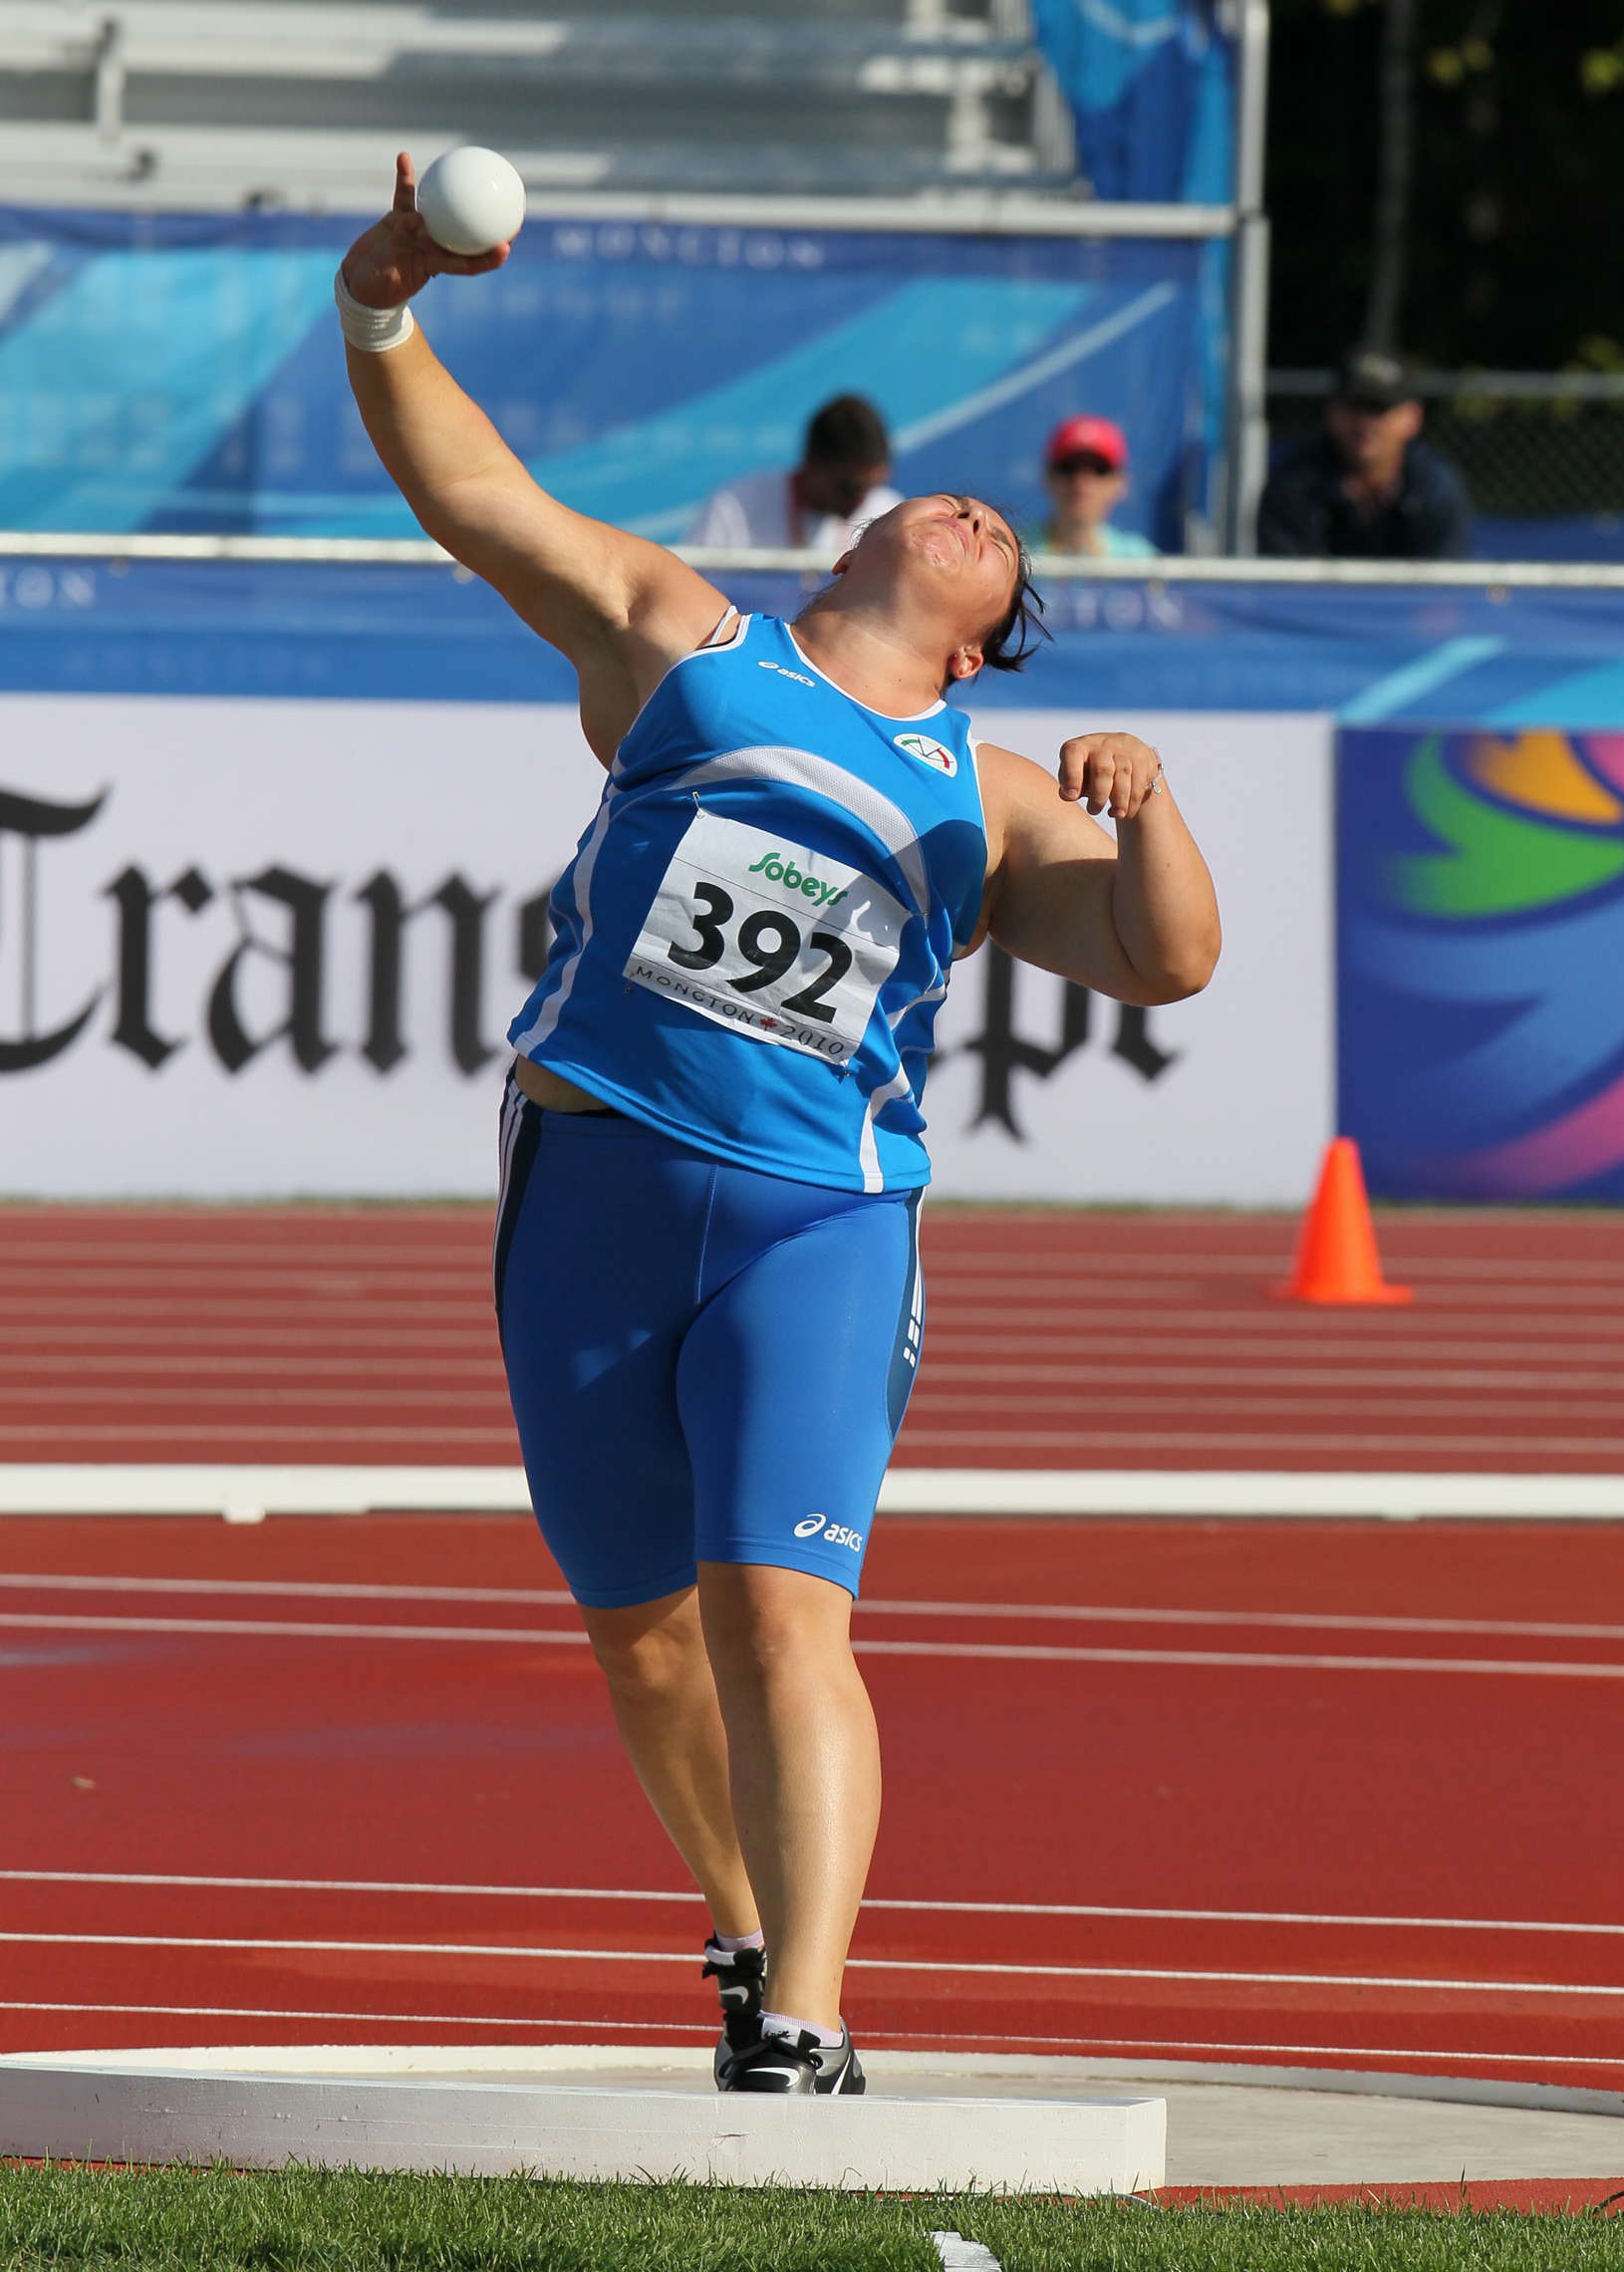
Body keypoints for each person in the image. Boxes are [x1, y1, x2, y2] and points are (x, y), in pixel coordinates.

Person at [337, 155, 1220, 2099]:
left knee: (777, 1611)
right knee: (639, 1637)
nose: (977, 513)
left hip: (817, 1221)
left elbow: (1164, 963)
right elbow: (477, 496)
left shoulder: (990, 790)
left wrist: (1151, 805)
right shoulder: (687, 639)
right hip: (590, 1188)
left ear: (980, 645)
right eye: (951, 499)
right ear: (859, 540)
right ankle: (744, 1928)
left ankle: (806, 2022)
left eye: (1005, 545)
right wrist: (380, 306)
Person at [1256, 347, 1471, 560]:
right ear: (1331, 411)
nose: (1365, 424)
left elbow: (1445, 574)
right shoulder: (1293, 484)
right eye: (1354, 407)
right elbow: (1285, 573)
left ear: (1412, 417)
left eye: (1379, 409)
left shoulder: (1434, 488)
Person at [689, 394, 902, 553]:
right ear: (812, 462)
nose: (863, 500)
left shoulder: (887, 515)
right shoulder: (734, 509)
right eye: (852, 487)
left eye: (873, 486)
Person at [1032, 415, 1159, 559]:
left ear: (1120, 482)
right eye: (1069, 467)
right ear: (1047, 477)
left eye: (1099, 470)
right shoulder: (1017, 554)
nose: (1082, 481)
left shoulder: (1141, 559)